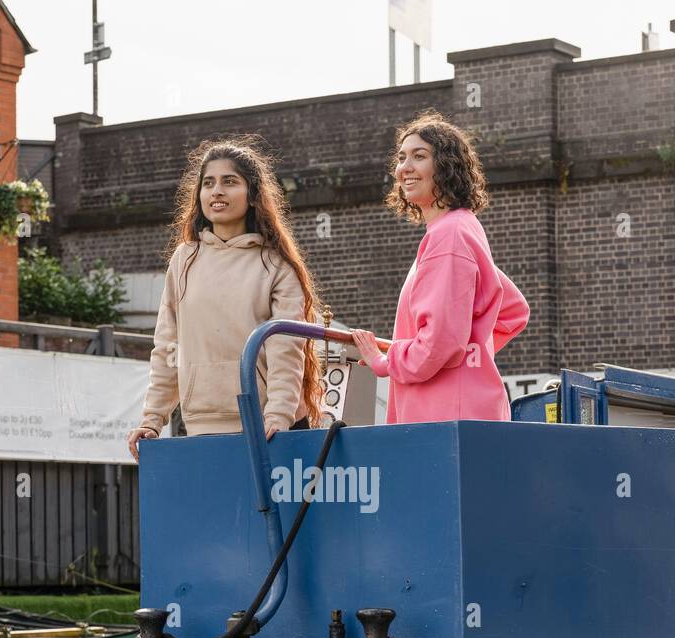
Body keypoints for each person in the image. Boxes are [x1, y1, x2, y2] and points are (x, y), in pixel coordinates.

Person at [128, 138, 321, 460]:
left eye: (229, 182)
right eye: (208, 183)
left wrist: (278, 415)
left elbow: (286, 351)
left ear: (253, 195)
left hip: (269, 429)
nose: (216, 191)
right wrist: (152, 419)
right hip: (203, 423)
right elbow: (166, 347)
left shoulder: (276, 265)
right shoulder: (184, 260)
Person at [350, 111, 529, 423]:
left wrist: (388, 360)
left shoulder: (448, 237)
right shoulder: (461, 228)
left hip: (444, 419)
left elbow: (441, 343)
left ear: (446, 166)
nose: (404, 168)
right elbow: (512, 310)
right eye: (402, 157)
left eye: (419, 156)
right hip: (462, 412)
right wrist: (470, 354)